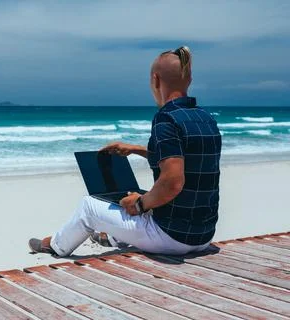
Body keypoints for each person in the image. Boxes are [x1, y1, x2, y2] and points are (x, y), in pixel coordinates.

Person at [29, 46, 221, 256]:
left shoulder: (165, 119)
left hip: (173, 238)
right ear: (189, 79)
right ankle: (110, 237)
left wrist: (140, 204)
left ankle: (56, 245)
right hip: (202, 236)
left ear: (155, 80)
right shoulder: (205, 118)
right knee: (139, 196)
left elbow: (173, 182)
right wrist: (136, 150)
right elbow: (184, 157)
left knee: (89, 207)